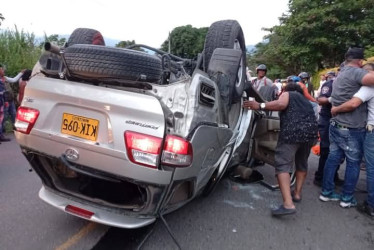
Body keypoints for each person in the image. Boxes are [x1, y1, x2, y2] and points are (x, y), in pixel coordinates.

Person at [244, 83, 318, 216]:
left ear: (286, 90)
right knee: (302, 163)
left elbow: (281, 104)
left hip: (293, 133)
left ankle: (288, 204)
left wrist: (260, 105)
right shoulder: (305, 101)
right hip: (310, 135)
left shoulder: (288, 94)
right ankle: (297, 194)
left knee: (282, 165)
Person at [319, 47, 374, 208]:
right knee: (353, 162)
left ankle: (326, 192)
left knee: (333, 157)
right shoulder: (356, 73)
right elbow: (354, 103)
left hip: (336, 124)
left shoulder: (340, 73)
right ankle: (347, 198)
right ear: (360, 61)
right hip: (352, 127)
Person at [330, 62, 374, 217]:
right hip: (354, 128)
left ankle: (349, 199)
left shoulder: (367, 86)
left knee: (363, 166)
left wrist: (335, 109)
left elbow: (353, 103)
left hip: (362, 128)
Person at [313, 71, 344, 187]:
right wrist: (332, 99)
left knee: (338, 152)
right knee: (326, 149)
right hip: (326, 120)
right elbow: (320, 100)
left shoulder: (349, 84)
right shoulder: (330, 84)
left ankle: (333, 176)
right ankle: (320, 177)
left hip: (340, 121)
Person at [0, 64, 23, 132]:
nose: (3, 71)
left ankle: (15, 127)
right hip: (3, 101)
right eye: (2, 70)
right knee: (4, 116)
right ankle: (2, 130)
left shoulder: (5, 78)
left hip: (10, 99)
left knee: (13, 113)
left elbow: (14, 80)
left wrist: (21, 73)